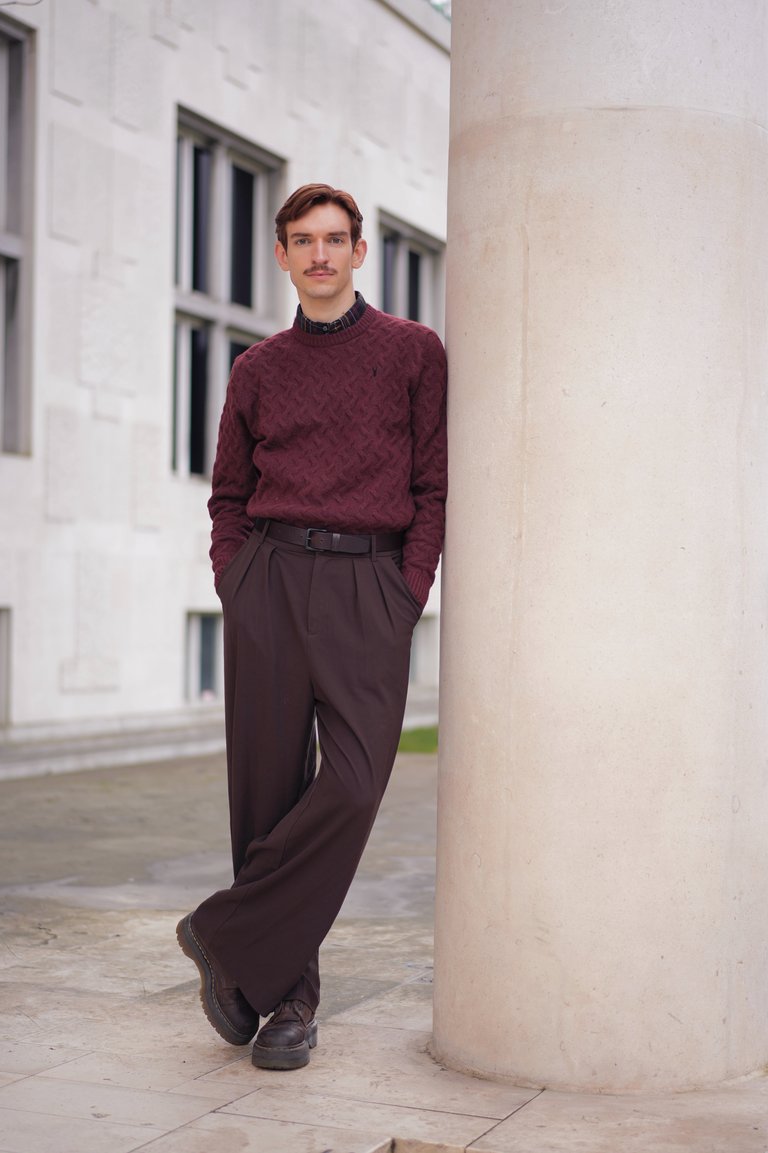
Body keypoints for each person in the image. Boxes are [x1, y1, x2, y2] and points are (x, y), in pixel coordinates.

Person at [176, 183, 447, 1070]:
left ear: (360, 252)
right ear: (284, 256)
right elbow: (227, 493)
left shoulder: (414, 352)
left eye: (335, 239)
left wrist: (407, 590)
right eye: (303, 240)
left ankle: (224, 934)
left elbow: (433, 486)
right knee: (267, 793)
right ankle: (285, 1000)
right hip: (272, 578)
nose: (320, 254)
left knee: (356, 784)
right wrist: (235, 579)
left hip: (372, 583)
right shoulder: (257, 369)